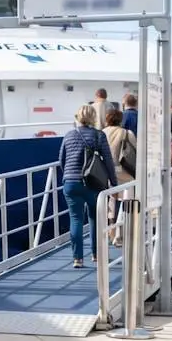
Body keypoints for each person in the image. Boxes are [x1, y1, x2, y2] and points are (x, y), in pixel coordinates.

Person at [58, 104, 118, 268]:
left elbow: (61, 160)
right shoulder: (99, 135)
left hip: (71, 184)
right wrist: (113, 183)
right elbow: (108, 161)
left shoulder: (69, 135)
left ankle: (77, 259)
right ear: (93, 117)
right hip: (93, 184)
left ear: (78, 117)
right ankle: (97, 255)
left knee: (76, 219)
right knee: (95, 219)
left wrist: (69, 176)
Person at [102, 108, 136, 246]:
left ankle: (111, 228)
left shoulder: (102, 133)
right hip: (123, 171)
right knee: (126, 200)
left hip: (106, 171)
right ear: (120, 119)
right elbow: (137, 148)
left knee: (111, 199)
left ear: (107, 119)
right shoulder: (127, 133)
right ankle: (119, 234)